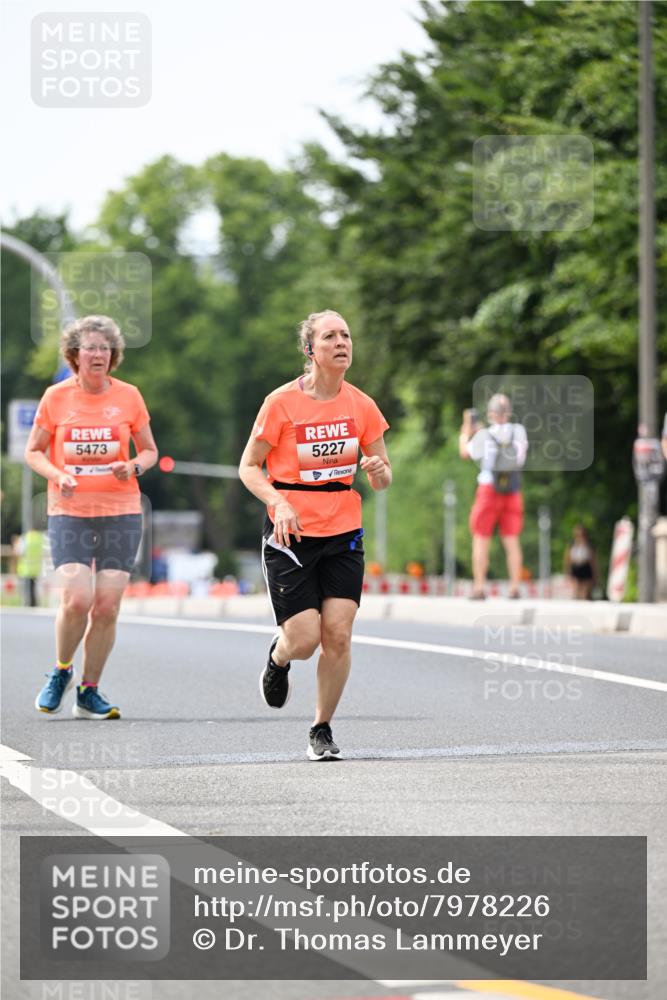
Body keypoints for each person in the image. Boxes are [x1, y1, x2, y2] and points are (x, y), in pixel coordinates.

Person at [239, 309, 391, 761]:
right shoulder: (281, 403)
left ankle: (321, 728)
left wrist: (380, 471)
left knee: (338, 636)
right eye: (330, 336)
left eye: (346, 335)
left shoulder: (362, 405)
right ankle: (278, 657)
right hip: (292, 533)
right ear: (310, 350)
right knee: (304, 641)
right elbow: (248, 467)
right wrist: (279, 502)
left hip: (343, 531)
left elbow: (382, 478)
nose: (342, 342)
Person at [25, 315, 158, 719]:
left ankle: (89, 690)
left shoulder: (130, 396)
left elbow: (150, 450)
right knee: (77, 599)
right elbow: (34, 452)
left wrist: (132, 467)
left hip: (120, 512)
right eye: (90, 347)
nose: (98, 354)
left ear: (113, 355)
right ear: (74, 355)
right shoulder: (55, 398)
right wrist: (57, 473)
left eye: (105, 348)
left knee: (106, 607)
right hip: (70, 512)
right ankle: (62, 670)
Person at [458, 393, 528, 599]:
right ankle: (515, 587)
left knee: (481, 537)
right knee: (512, 539)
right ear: (509, 413)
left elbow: (465, 452)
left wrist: (465, 433)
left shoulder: (483, 436)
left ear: (490, 414)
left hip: (489, 489)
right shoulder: (519, 431)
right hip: (513, 488)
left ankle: (480, 587)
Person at [564, 524, 598, 600]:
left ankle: (584, 604)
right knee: (576, 590)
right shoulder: (571, 545)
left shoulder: (589, 545)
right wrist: (567, 571)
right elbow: (567, 559)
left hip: (585, 567)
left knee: (585, 591)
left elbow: (593, 560)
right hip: (575, 567)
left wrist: (595, 573)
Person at [16, 528, 45, 607]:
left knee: (26, 589)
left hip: (26, 569)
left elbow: (19, 551)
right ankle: (34, 604)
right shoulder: (40, 538)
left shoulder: (25, 538)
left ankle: (26, 604)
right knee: (34, 589)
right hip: (36, 569)